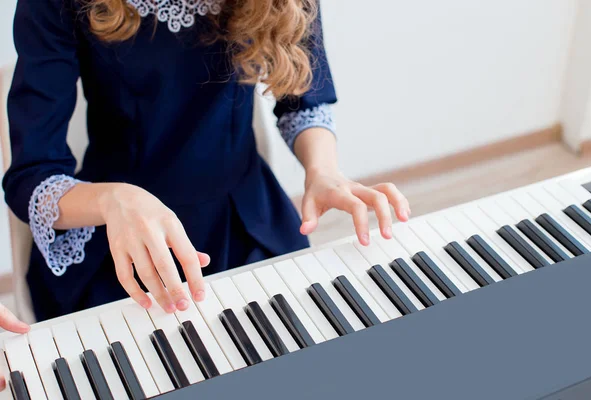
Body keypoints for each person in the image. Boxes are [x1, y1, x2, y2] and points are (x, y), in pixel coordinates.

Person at [2, 0, 411, 326]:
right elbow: (31, 177)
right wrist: (114, 201)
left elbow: (302, 99)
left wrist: (322, 170)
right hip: (120, 245)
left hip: (247, 229)